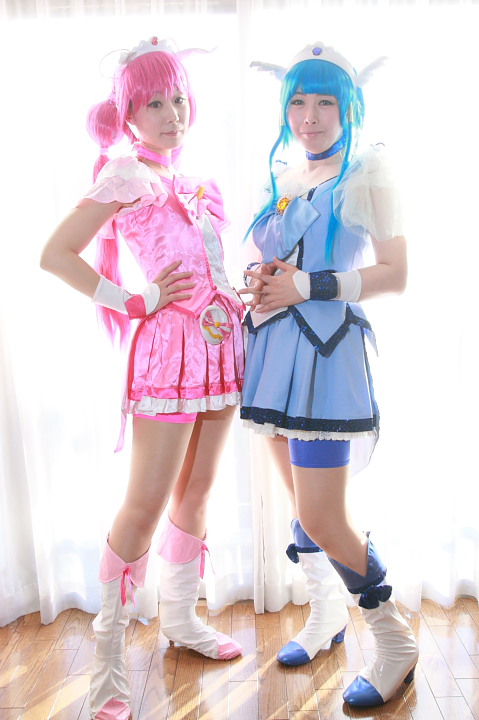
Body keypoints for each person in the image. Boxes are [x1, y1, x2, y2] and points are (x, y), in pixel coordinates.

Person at [40, 36, 244, 720]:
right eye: (154, 102)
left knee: (199, 489)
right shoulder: (124, 174)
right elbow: (56, 254)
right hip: (165, 357)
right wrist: (132, 301)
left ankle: (181, 619)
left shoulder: (197, 181)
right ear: (127, 113)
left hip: (220, 348)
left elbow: (205, 269)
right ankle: (106, 664)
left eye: (178, 98)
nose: (171, 113)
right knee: (144, 504)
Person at [239, 42, 418, 707]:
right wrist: (263, 278)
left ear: (348, 108)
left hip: (325, 361)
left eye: (323, 103)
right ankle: (326, 615)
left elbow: (395, 275)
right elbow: (281, 262)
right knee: (301, 505)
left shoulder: (367, 172)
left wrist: (308, 284)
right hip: (274, 356)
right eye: (297, 102)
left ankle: (393, 640)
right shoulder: (287, 174)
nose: (308, 117)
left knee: (321, 511)